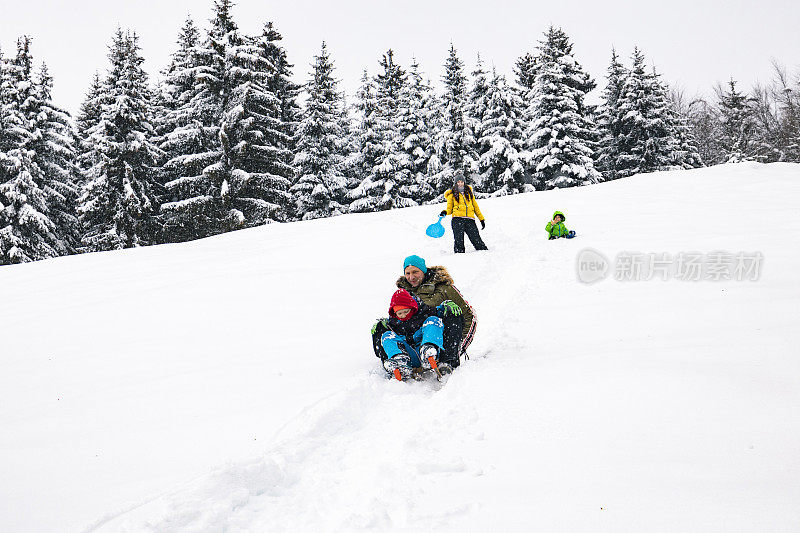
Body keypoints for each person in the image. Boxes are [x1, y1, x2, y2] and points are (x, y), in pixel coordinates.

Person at [372, 254, 476, 369]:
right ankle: (397, 364)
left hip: (442, 342)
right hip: (415, 343)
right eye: (408, 273)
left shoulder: (444, 288)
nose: (411, 277)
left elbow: (469, 316)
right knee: (380, 328)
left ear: (423, 271)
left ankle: (448, 361)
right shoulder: (404, 293)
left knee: (451, 312)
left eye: (415, 272)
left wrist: (458, 345)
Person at [374, 289, 463, 380]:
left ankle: (429, 348)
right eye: (400, 313)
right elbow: (380, 349)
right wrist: (378, 330)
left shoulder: (424, 312)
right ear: (395, 313)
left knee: (433, 320)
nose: (403, 315)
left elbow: (439, 312)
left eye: (406, 311)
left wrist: (445, 305)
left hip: (428, 350)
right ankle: (400, 361)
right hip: (410, 357)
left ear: (412, 308)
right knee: (387, 335)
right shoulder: (393, 324)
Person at [439, 172, 488, 253]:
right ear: (455, 183)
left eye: (462, 182)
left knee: (477, 240)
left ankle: (485, 254)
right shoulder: (451, 195)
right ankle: (460, 258)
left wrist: (481, 219)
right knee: (459, 242)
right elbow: (449, 209)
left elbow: (475, 207)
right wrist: (445, 212)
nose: (460, 184)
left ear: (464, 182)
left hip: (470, 219)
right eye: (458, 182)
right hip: (457, 219)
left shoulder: (469, 193)